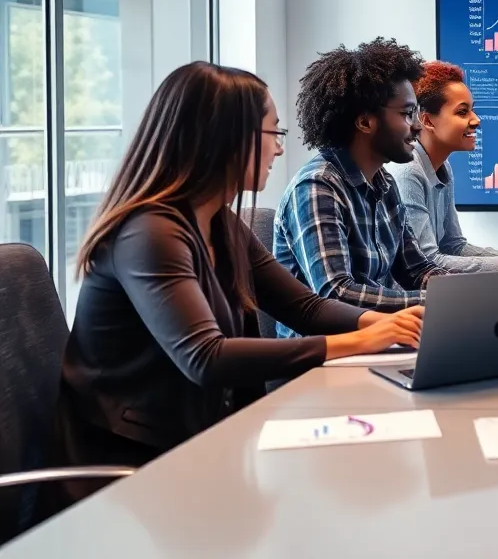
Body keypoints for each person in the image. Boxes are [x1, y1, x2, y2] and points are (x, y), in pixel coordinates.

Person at [45, 62, 424, 512]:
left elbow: (303, 307)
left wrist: (392, 324)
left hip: (200, 441)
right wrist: (361, 339)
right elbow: (205, 356)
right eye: (272, 134)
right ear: (226, 137)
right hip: (132, 471)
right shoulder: (148, 233)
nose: (280, 151)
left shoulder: (220, 222)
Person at [273, 37, 445, 328]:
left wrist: (464, 293)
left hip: (379, 339)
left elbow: (416, 269)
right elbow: (335, 293)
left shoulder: (384, 183)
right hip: (324, 356)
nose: (417, 125)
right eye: (406, 114)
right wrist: (434, 302)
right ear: (365, 122)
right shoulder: (317, 186)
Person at [387, 61, 498, 273]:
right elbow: (427, 261)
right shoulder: (407, 172)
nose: (476, 120)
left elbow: (453, 246)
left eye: (472, 110)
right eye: (462, 112)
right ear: (428, 121)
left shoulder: (443, 168)